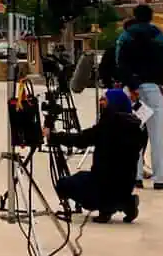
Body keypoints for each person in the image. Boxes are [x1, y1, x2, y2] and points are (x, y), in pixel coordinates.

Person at [55, 88, 148, 223]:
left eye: (104, 99)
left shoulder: (108, 125)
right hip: (126, 184)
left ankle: (105, 207)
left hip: (102, 184)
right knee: (113, 184)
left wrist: (56, 137)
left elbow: (82, 140)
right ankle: (126, 203)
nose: (100, 102)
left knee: (64, 184)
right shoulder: (137, 128)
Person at [114, 5, 163, 190]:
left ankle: (135, 176)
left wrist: (131, 84)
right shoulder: (158, 34)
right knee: (156, 135)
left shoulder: (125, 36)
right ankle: (160, 178)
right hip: (153, 86)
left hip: (133, 91)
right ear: (151, 17)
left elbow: (120, 61)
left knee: (133, 133)